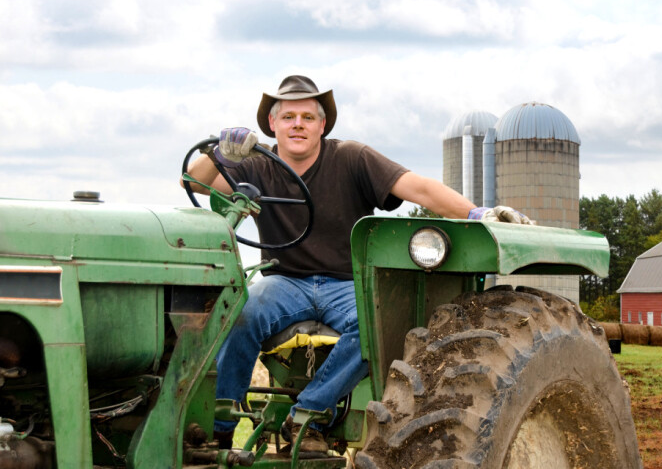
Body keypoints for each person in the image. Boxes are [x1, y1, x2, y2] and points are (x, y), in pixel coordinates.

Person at [184, 75, 531, 453]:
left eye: (306, 117)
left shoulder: (351, 158)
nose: (297, 124)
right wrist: (220, 152)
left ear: (322, 125)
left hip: (345, 283)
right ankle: (220, 425)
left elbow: (416, 187)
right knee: (239, 311)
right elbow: (197, 184)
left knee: (375, 327)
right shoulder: (256, 165)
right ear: (273, 124)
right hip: (284, 281)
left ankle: (309, 415)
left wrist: (477, 212)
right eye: (288, 117)